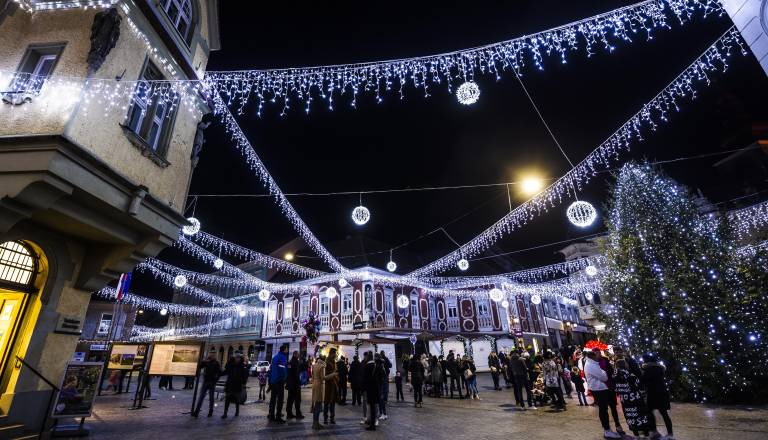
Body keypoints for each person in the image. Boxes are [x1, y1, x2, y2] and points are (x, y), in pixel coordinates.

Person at [585, 349, 623, 439]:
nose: (598, 355)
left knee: (611, 408)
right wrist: (604, 374)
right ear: (593, 356)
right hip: (600, 389)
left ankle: (615, 426)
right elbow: (604, 377)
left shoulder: (601, 361)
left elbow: (608, 373)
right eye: (596, 354)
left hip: (606, 388)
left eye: (599, 352)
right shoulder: (591, 365)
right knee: (603, 410)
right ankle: (607, 430)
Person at [615, 359, 654, 438]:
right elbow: (638, 385)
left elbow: (616, 389)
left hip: (625, 401)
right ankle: (646, 435)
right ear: (625, 365)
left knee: (630, 417)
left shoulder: (615, 376)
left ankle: (636, 436)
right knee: (641, 416)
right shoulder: (630, 375)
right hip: (635, 399)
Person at [642, 354, 674, 440]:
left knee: (649, 412)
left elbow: (643, 380)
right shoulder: (660, 369)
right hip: (662, 393)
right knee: (664, 413)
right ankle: (670, 434)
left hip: (653, 393)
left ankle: (654, 431)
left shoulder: (648, 369)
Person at [311, 354, 338, 430]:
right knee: (318, 405)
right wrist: (333, 374)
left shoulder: (314, 365)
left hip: (314, 385)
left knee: (316, 404)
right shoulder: (322, 366)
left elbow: (312, 377)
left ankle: (315, 423)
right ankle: (316, 424)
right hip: (319, 386)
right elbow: (323, 378)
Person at [192, 349, 221, 417]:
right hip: (205, 382)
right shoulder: (207, 361)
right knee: (201, 397)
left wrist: (215, 380)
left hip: (212, 383)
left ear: (215, 355)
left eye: (213, 354)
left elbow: (219, 373)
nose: (212, 355)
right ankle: (197, 411)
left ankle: (210, 411)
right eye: (211, 353)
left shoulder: (216, 363)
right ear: (210, 354)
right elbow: (200, 367)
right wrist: (203, 361)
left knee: (211, 398)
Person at [221, 352, 248, 418]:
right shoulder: (231, 364)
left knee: (237, 400)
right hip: (230, 385)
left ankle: (237, 411)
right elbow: (226, 370)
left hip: (237, 385)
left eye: (238, 357)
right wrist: (230, 360)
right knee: (227, 399)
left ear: (240, 358)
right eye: (236, 357)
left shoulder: (242, 366)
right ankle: (225, 413)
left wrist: (243, 383)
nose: (237, 359)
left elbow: (245, 375)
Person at [364, 352, 386, 430]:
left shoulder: (367, 366)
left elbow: (365, 379)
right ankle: (374, 421)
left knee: (372, 407)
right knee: (375, 406)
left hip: (370, 389)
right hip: (377, 388)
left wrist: (364, 389)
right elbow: (383, 376)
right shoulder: (377, 365)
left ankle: (372, 424)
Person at [268, 344, 289, 423]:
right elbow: (283, 369)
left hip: (273, 380)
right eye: (286, 349)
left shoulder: (275, 357)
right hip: (279, 381)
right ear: (284, 350)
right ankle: (278, 416)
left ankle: (271, 415)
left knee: (273, 398)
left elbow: (271, 369)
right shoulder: (282, 357)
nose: (287, 350)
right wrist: (285, 378)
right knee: (280, 399)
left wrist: (270, 380)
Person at [323, 348, 340, 424]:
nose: (335, 355)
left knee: (332, 402)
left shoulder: (333, 361)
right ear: (331, 353)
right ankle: (325, 418)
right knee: (327, 402)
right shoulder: (327, 362)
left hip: (333, 384)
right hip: (328, 385)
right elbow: (325, 374)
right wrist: (334, 374)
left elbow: (335, 371)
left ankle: (332, 418)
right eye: (334, 353)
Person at [286, 350, 304, 419]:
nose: (299, 355)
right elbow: (296, 374)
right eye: (298, 354)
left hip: (290, 384)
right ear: (295, 355)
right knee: (297, 399)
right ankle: (298, 414)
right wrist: (299, 382)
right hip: (295, 384)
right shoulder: (295, 362)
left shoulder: (290, 362)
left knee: (290, 399)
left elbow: (289, 373)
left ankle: (289, 413)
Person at [378, 350, 392, 421]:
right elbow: (390, 365)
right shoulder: (386, 359)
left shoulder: (380, 361)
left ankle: (382, 411)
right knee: (386, 388)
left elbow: (390, 365)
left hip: (383, 377)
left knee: (383, 390)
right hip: (385, 376)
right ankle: (385, 399)